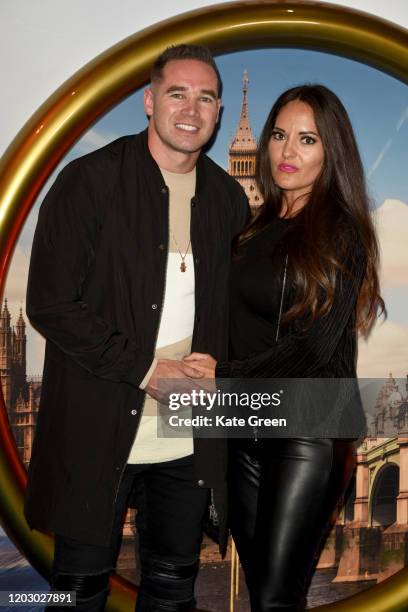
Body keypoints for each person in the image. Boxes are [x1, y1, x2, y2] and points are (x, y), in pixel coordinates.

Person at [24, 44, 249, 611]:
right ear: (149, 101)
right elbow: (50, 305)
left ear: (219, 113)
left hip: (185, 435)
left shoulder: (227, 200)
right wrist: (146, 370)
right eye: (177, 93)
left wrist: (222, 365)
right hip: (97, 426)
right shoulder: (88, 182)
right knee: (77, 591)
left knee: (173, 587)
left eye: (205, 98)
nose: (191, 109)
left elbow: (234, 316)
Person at [185, 84, 385, 611]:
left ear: (331, 151)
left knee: (275, 600)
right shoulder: (252, 230)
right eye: (279, 135)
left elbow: (315, 348)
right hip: (244, 425)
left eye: (307, 139)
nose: (287, 152)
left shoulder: (343, 232)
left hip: (309, 427)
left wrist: (222, 376)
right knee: (267, 598)